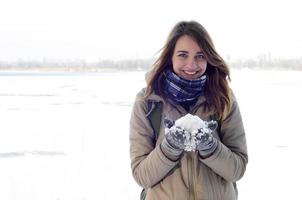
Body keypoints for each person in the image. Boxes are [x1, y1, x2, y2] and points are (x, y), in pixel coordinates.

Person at [129, 20, 248, 200]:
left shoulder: (223, 99)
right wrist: (169, 148)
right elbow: (142, 175)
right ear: (171, 57)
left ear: (208, 58)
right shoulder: (148, 102)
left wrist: (210, 147)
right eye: (183, 55)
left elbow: (237, 169)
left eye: (200, 56)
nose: (191, 65)